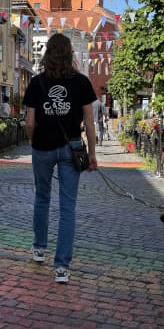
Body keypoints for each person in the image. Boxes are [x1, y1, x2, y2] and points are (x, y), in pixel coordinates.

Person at [23, 33, 97, 283]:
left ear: (47, 55)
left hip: (42, 148)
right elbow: (89, 122)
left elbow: (30, 122)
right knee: (68, 207)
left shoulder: (36, 83)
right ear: (70, 55)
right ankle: (62, 268)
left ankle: (38, 249)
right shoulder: (82, 83)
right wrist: (93, 154)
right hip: (71, 148)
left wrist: (33, 141)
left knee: (41, 198)